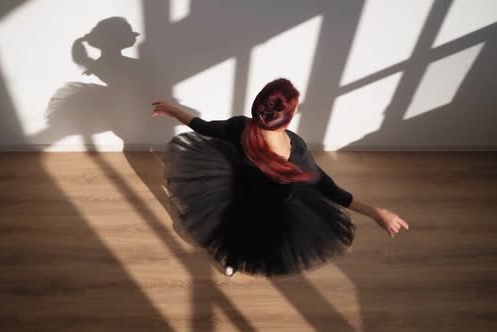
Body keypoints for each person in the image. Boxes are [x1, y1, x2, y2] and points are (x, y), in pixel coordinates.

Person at [151, 78, 409, 278]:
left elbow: (203, 127)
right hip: (273, 207)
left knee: (235, 229)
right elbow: (330, 189)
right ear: (285, 121)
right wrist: (375, 212)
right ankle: (235, 260)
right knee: (256, 236)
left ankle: (230, 260)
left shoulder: (240, 127)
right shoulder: (295, 151)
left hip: (238, 194)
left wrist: (173, 110)